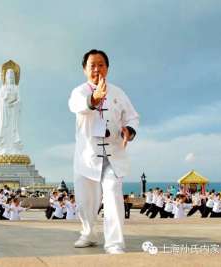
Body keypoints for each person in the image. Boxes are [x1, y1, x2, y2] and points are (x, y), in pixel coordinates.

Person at [68, 49, 139, 254]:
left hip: (113, 153)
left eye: (101, 65)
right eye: (92, 66)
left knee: (113, 192)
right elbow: (76, 106)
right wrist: (94, 99)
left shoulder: (118, 93)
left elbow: (132, 117)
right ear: (84, 70)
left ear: (107, 68)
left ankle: (114, 243)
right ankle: (89, 233)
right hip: (87, 155)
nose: (97, 69)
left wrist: (130, 130)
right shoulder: (79, 92)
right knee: (85, 200)